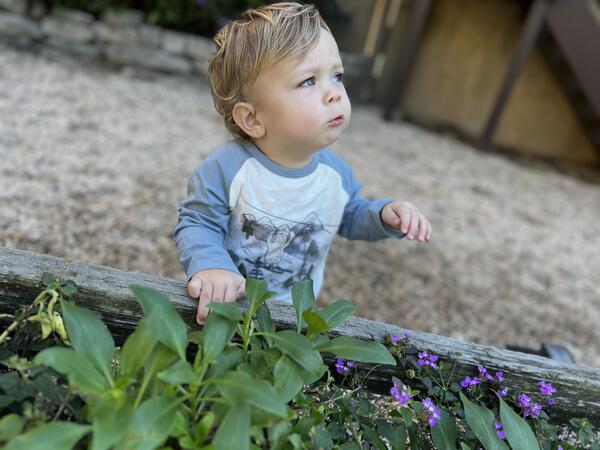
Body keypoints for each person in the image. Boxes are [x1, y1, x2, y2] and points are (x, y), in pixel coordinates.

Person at [173, 2, 432, 324]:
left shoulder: (334, 174)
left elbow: (348, 216)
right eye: (309, 81)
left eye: (336, 76)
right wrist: (213, 267)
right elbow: (198, 223)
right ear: (252, 118)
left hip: (293, 317)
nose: (334, 93)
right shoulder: (227, 169)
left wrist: (382, 215)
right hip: (227, 307)